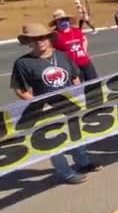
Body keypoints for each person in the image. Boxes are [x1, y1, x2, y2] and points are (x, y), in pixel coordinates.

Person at [10, 23, 101, 184]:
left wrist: (77, 94)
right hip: (45, 109)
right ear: (29, 42)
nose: (40, 41)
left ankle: (83, 163)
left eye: (42, 37)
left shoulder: (62, 55)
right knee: (53, 142)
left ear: (49, 38)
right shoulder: (23, 63)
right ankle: (65, 173)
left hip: (68, 104)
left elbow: (75, 77)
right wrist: (36, 102)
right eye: (35, 39)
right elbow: (20, 89)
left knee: (76, 135)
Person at [49, 9, 98, 82]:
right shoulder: (54, 35)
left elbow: (84, 39)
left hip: (85, 62)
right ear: (56, 22)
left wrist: (84, 50)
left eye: (66, 19)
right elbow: (50, 49)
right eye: (61, 20)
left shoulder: (76, 31)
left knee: (95, 83)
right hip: (71, 67)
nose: (64, 21)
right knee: (78, 88)